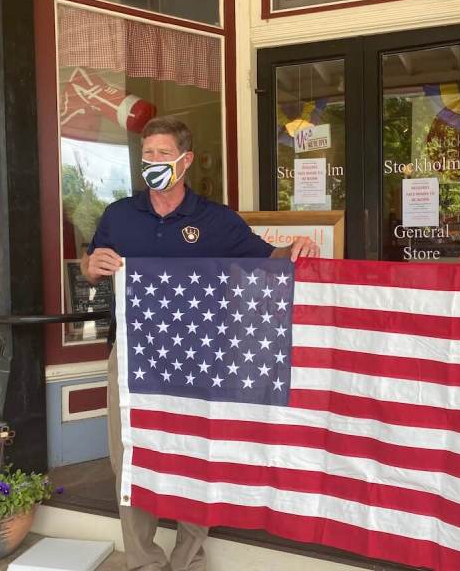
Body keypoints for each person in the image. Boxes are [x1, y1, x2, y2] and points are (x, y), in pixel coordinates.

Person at [80, 116, 319, 571]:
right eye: (146, 153)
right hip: (132, 358)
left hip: (200, 359)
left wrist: (297, 249)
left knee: (196, 457)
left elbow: (268, 261)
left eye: (162, 154)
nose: (152, 162)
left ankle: (189, 559)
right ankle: (144, 562)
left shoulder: (217, 220)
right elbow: (89, 262)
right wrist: (89, 265)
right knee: (130, 459)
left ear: (185, 161)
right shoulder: (119, 215)